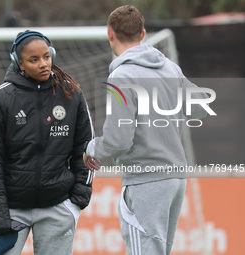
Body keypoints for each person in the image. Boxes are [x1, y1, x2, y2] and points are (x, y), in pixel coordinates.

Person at [83, 5, 209, 255]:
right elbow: (200, 106)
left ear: (110, 34)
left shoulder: (122, 75)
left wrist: (91, 149)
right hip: (175, 178)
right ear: (142, 34)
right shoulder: (169, 68)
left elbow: (119, 140)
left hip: (147, 179)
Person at [0, 30, 94, 255]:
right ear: (19, 63)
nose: (43, 64)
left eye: (46, 56)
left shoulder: (71, 93)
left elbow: (86, 148)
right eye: (34, 60)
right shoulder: (2, 98)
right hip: (12, 211)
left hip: (58, 207)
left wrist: (77, 201)